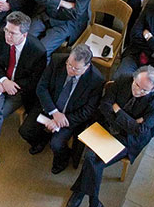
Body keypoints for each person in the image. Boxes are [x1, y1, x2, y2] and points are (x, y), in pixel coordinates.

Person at [66, 66, 154, 207]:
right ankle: (93, 203)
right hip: (107, 126)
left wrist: (118, 110)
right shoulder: (123, 79)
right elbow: (105, 105)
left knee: (93, 159)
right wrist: (130, 121)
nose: (137, 91)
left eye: (144, 90)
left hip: (128, 139)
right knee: (92, 159)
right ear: (134, 78)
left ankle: (87, 197)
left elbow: (139, 131)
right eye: (136, 85)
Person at [0, 11, 46, 180]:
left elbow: (35, 81)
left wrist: (10, 86)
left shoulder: (37, 51)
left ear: (25, 34)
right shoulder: (1, 35)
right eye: (7, 30)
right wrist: (4, 80)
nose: (8, 35)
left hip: (18, 90)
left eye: (13, 33)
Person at [20, 44, 104, 173]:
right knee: (25, 131)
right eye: (69, 64)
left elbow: (88, 110)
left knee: (57, 144)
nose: (70, 70)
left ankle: (62, 160)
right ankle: (41, 140)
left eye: (76, 69)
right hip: (50, 107)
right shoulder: (57, 60)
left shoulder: (96, 80)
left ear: (86, 67)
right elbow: (41, 87)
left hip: (69, 117)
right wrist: (54, 113)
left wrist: (62, 119)